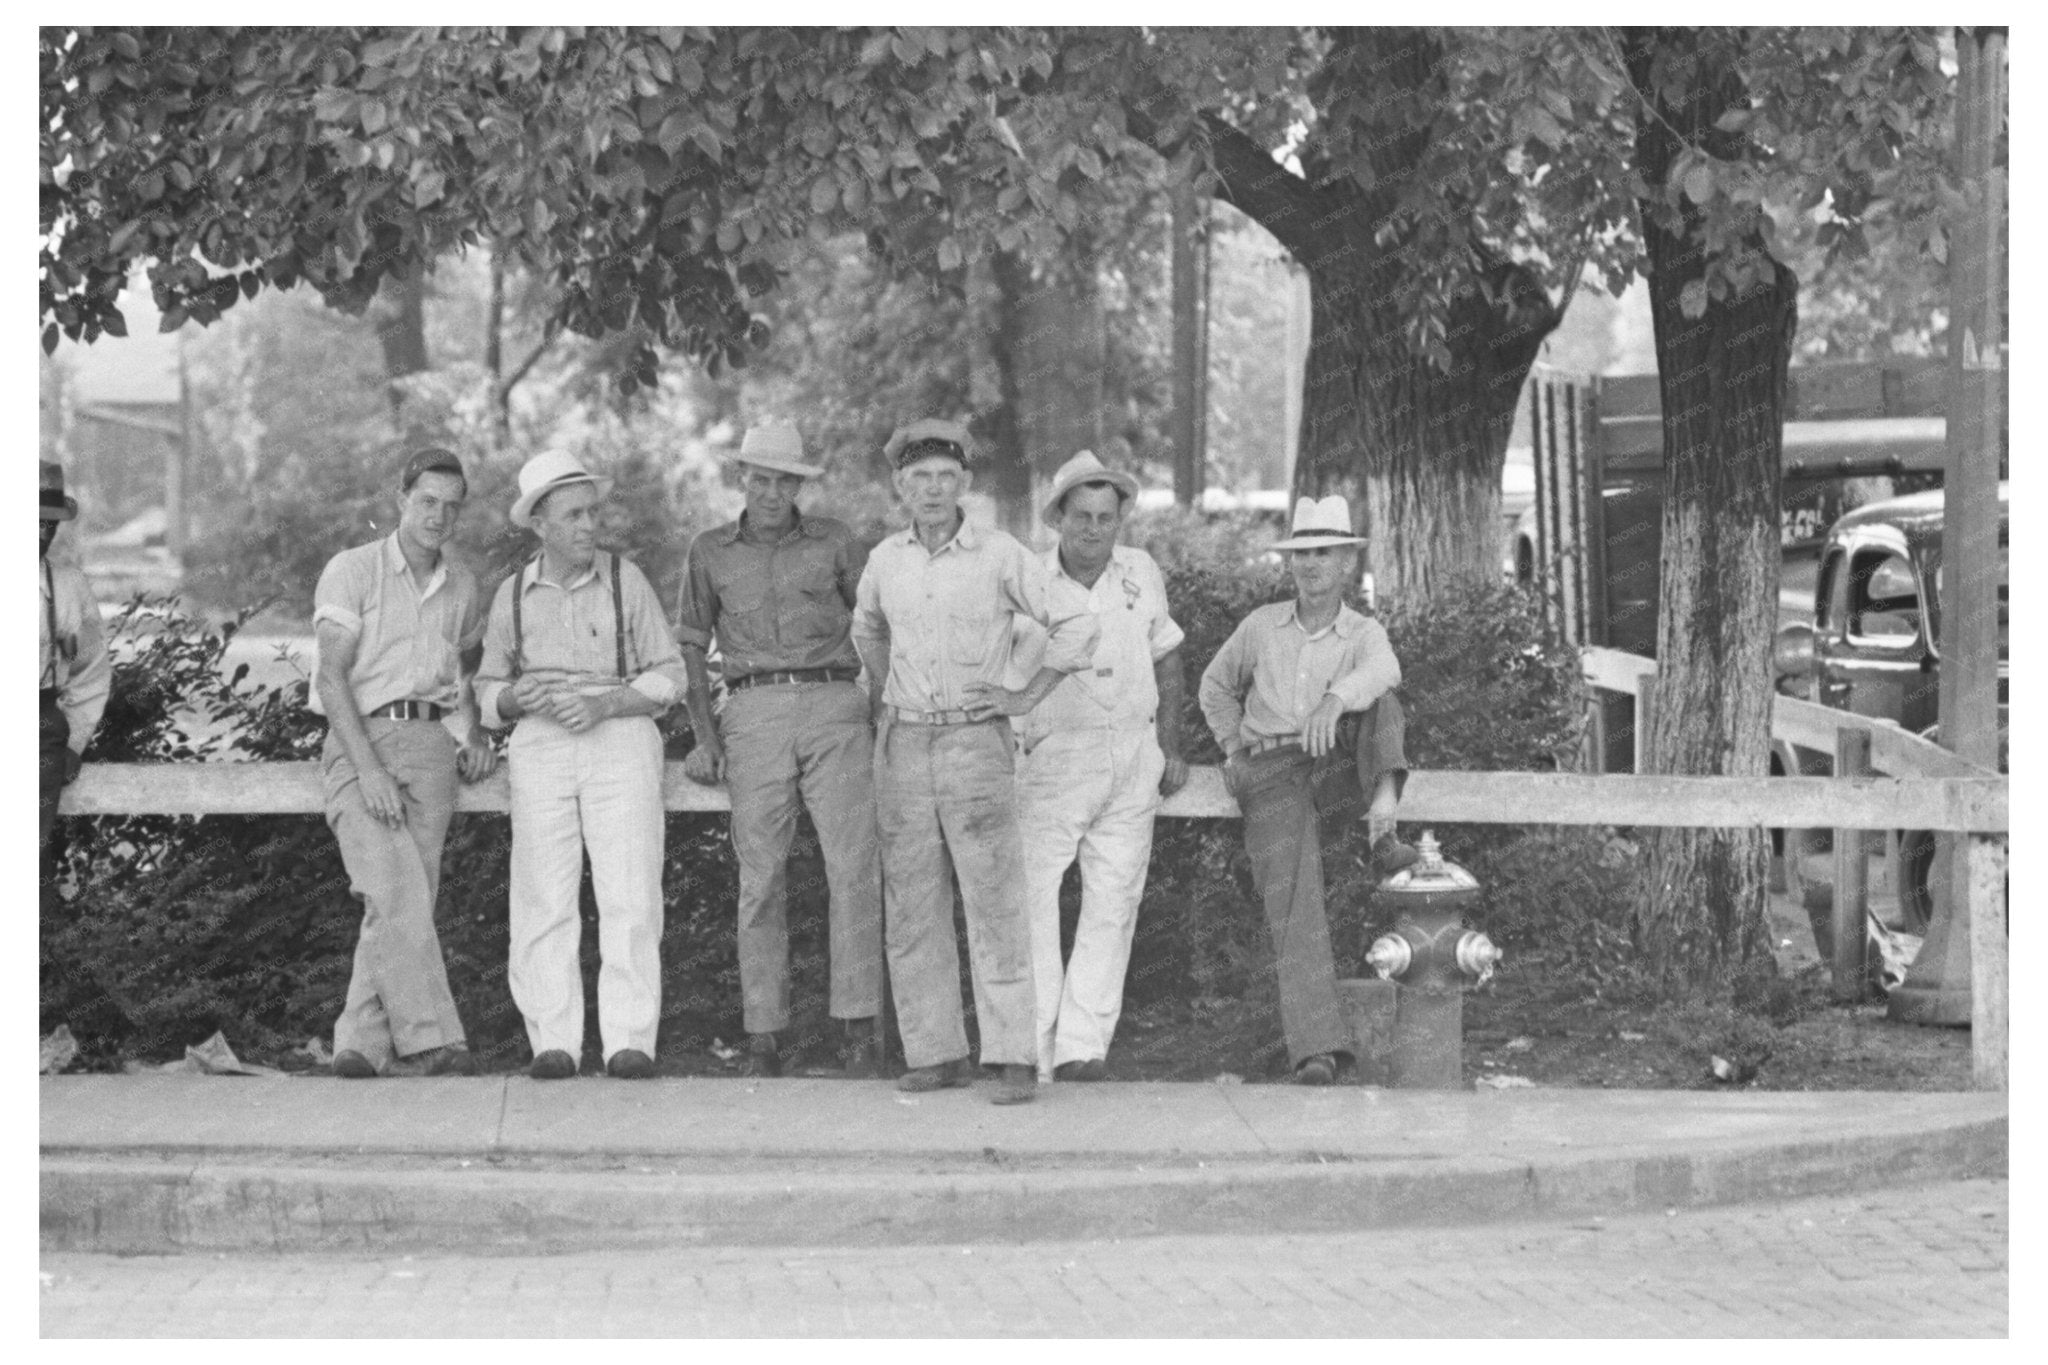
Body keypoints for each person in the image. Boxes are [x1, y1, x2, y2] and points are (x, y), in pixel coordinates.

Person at [850, 419, 1099, 1105]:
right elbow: (867, 627)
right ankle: (935, 1051)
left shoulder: (998, 554)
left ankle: (1013, 1055)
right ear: (900, 486)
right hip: (904, 744)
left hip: (974, 742)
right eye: (918, 478)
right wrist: (886, 695)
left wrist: (1026, 692)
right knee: (912, 904)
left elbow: (1077, 621)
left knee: (993, 899)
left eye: (945, 477)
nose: (932, 490)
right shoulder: (885, 560)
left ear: (965, 484)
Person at [676, 422, 884, 1078]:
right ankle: (765, 1031)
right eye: (761, 478)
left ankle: (857, 1025)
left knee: (853, 866)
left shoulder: (836, 542)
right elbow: (689, 643)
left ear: (800, 485)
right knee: (760, 875)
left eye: (784, 481)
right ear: (744, 480)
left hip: (833, 703)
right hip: (753, 709)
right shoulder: (711, 550)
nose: (771, 492)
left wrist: (876, 711)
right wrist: (706, 736)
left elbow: (878, 625)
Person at [475, 450, 687, 1081]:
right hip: (540, 746)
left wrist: (607, 703)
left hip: (618, 736)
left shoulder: (627, 581)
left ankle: (629, 1041)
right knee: (543, 892)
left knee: (629, 890)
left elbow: (670, 674)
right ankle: (554, 1040)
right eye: (572, 515)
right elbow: (487, 687)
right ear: (539, 524)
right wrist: (514, 699)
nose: (588, 525)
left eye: (592, 512)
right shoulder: (513, 593)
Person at [1197, 495, 1419, 1087]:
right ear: (1290, 565)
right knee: (1296, 901)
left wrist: (1336, 698)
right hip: (1271, 773)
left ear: (1346, 563)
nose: (1312, 565)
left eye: (1324, 553)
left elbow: (1386, 672)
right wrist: (1234, 751)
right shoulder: (1261, 628)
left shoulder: (1361, 633)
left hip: (1332, 767)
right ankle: (1317, 1050)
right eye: (1302, 555)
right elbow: (1214, 686)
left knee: (1383, 700)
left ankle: (1383, 821)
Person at [311, 448, 497, 1079]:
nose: (438, 517)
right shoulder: (353, 570)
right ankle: (433, 1039)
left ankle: (359, 1044)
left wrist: (471, 732)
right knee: (392, 889)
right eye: (427, 502)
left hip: (431, 750)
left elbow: (460, 676)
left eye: (451, 506)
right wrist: (366, 769)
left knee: (403, 899)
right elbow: (331, 678)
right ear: (400, 498)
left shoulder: (464, 584)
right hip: (361, 741)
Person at [1009, 451, 1187, 1083]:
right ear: (1058, 517)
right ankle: (1029, 1045)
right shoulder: (1025, 579)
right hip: (1054, 756)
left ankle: (1083, 1047)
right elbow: (1002, 673)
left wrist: (1171, 744)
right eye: (1080, 515)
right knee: (1033, 898)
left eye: (1105, 517)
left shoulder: (1140, 572)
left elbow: (1167, 656)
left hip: (1130, 754)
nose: (1092, 529)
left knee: (1114, 900)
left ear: (1120, 521)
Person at [39, 460, 110, 877]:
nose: (43, 533)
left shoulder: (68, 586)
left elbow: (91, 670)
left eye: (50, 524)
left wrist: (74, 740)